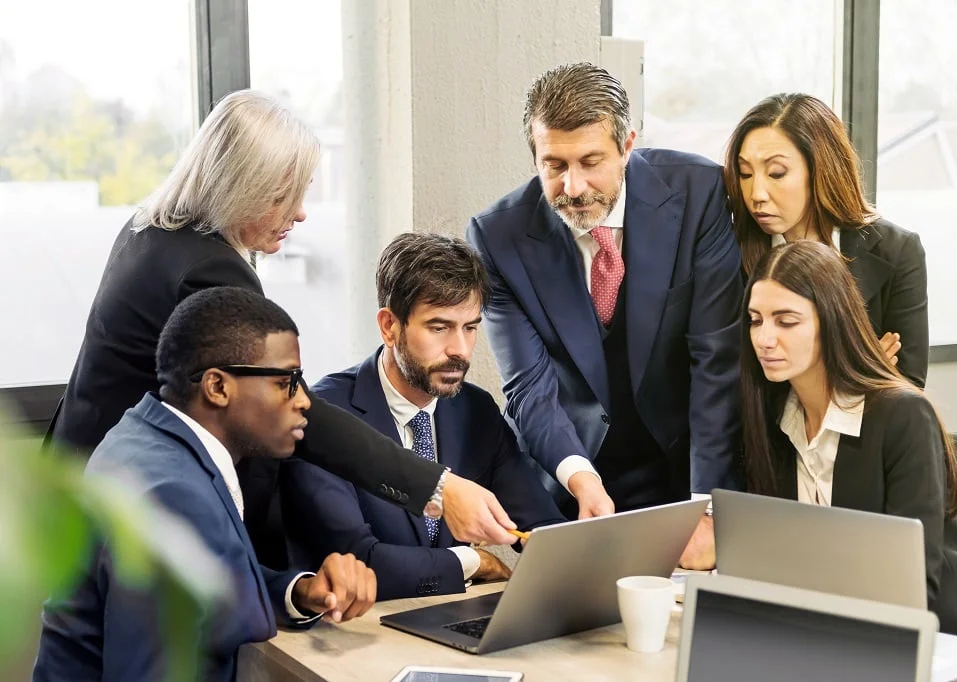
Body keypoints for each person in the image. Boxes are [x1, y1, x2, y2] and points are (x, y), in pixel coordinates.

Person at [44, 89, 519, 565]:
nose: (299, 213)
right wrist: (436, 485)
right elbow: (288, 406)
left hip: (83, 479)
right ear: (239, 187)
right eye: (282, 198)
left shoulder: (149, 232)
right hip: (131, 511)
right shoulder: (210, 269)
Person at [466, 62, 743, 568]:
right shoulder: (497, 237)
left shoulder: (699, 192)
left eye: (590, 161)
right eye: (553, 165)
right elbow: (529, 388)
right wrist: (580, 477)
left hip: (683, 468)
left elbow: (716, 365)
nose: (572, 187)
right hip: (570, 480)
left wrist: (707, 508)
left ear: (628, 145)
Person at [33, 287, 379, 681]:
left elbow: (206, 578)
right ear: (217, 387)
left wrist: (300, 592)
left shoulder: (144, 433)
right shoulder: (172, 494)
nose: (303, 401)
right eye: (287, 381)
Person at [740, 240, 957, 647]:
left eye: (786, 321)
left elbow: (911, 583)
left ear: (832, 321)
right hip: (845, 635)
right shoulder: (772, 415)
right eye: (755, 320)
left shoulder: (902, 415)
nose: (765, 338)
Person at [280, 233, 565, 600]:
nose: (459, 350)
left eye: (470, 328)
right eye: (439, 327)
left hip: (449, 624)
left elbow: (541, 526)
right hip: (358, 635)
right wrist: (472, 561)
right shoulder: (323, 418)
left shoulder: (475, 410)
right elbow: (358, 561)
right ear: (389, 326)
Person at [723, 92, 929, 388]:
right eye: (745, 174)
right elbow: (736, 381)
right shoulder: (728, 250)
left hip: (865, 436)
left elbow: (906, 393)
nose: (756, 194)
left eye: (776, 173)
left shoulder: (896, 250)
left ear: (822, 168)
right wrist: (856, 369)